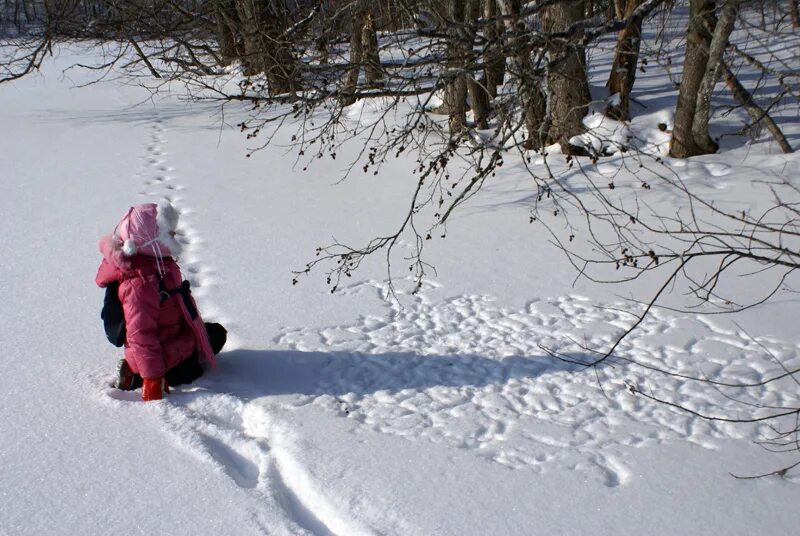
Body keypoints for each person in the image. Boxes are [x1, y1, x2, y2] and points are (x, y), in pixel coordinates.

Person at [95, 201, 226, 401]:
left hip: (169, 338)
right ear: (150, 238)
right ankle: (137, 376)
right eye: (169, 234)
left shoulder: (155, 262)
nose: (174, 237)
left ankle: (139, 369)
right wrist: (153, 379)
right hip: (159, 353)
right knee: (196, 364)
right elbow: (140, 333)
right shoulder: (141, 281)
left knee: (213, 334)